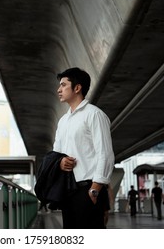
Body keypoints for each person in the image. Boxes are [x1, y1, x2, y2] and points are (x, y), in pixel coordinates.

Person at [53, 67, 115, 229]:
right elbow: (56, 153)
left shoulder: (94, 115)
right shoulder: (63, 121)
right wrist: (60, 162)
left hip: (88, 188)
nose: (59, 90)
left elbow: (105, 153)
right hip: (69, 190)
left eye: (63, 85)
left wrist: (95, 189)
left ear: (77, 88)